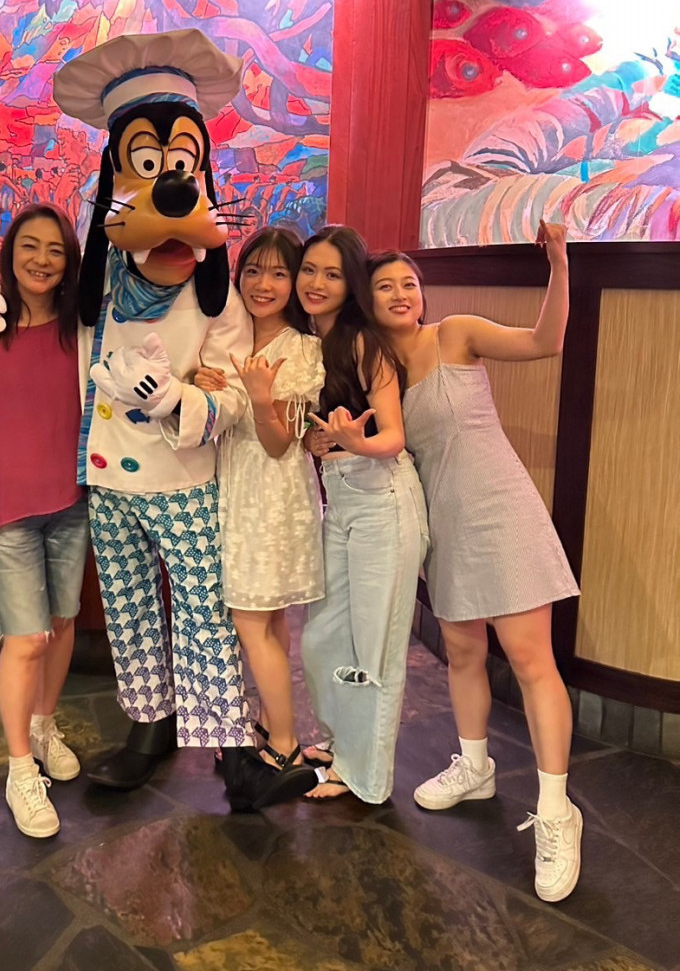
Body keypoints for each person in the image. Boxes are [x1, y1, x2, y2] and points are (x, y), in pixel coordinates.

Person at [369, 222, 582, 903]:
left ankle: (557, 811)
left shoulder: (455, 334)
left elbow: (544, 342)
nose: (401, 293)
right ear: (367, 302)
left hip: (501, 512)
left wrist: (559, 264)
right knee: (463, 652)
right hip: (444, 526)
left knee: (530, 660)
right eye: (385, 286)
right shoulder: (377, 370)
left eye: (408, 283)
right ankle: (475, 766)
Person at [0, 206, 87, 840]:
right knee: (26, 637)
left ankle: (43, 724)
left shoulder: (80, 332)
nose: (41, 259)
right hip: (6, 508)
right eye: (29, 246)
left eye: (55, 249)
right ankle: (18, 769)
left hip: (71, 501)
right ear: (9, 254)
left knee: (60, 624)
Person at [297, 225, 429, 807]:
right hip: (343, 498)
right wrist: (318, 442)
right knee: (323, 636)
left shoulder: (363, 344)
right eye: (309, 270)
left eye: (332, 274)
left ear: (351, 284)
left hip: (385, 500)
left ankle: (364, 777)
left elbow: (393, 436)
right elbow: (316, 432)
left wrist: (355, 442)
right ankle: (339, 741)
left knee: (375, 646)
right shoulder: (308, 342)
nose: (316, 283)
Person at [195, 226, 322, 806]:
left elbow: (279, 443)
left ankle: (287, 746)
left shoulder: (300, 348)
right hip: (239, 489)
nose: (262, 284)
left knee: (251, 620)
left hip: (271, 497)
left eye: (278, 273)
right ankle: (273, 728)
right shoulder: (231, 337)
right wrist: (203, 384)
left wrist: (259, 395)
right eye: (252, 270)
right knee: (266, 622)